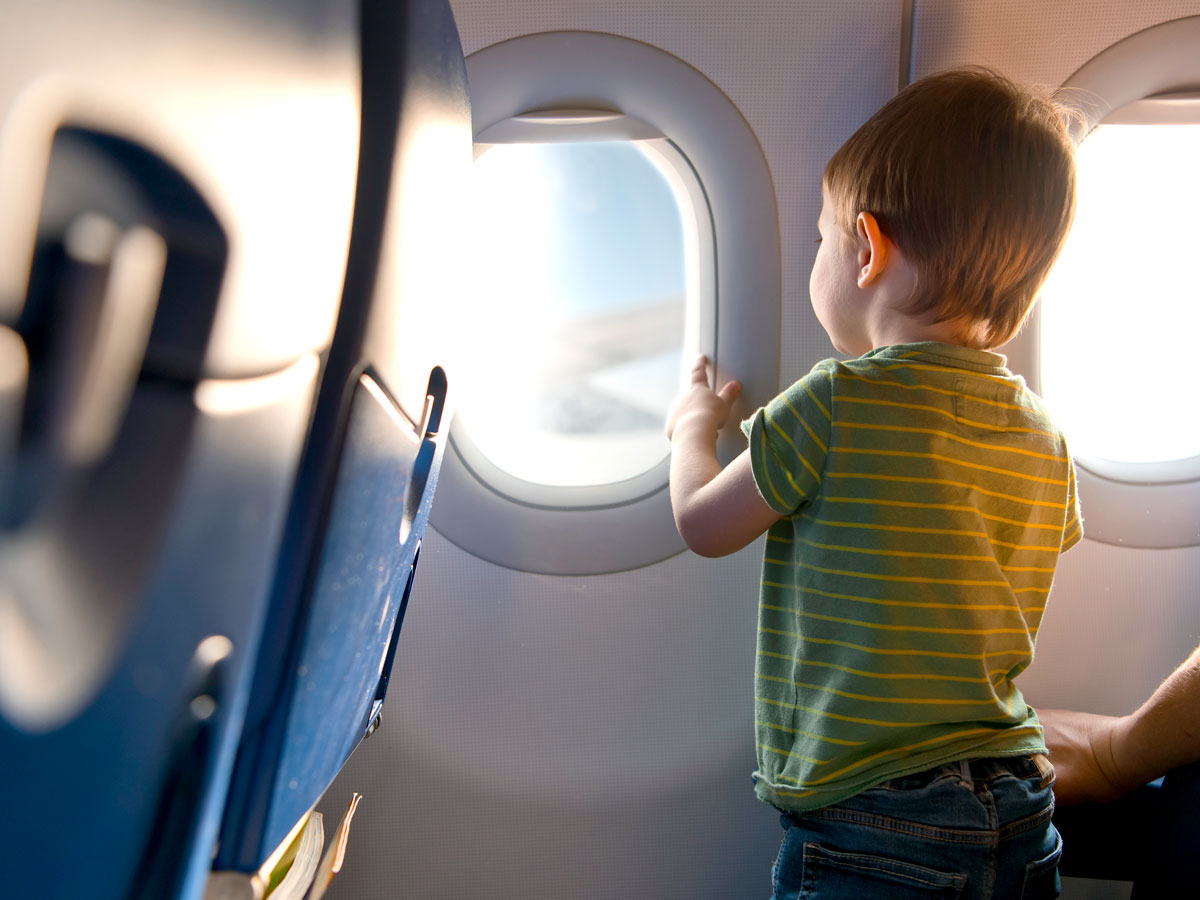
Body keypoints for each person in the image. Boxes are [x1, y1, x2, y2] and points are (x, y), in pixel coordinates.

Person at [666, 67, 1081, 900]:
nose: (817, 255)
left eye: (820, 238)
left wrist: (691, 429)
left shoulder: (836, 401)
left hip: (876, 819)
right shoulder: (1044, 434)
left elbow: (704, 526)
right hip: (1021, 802)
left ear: (867, 248)